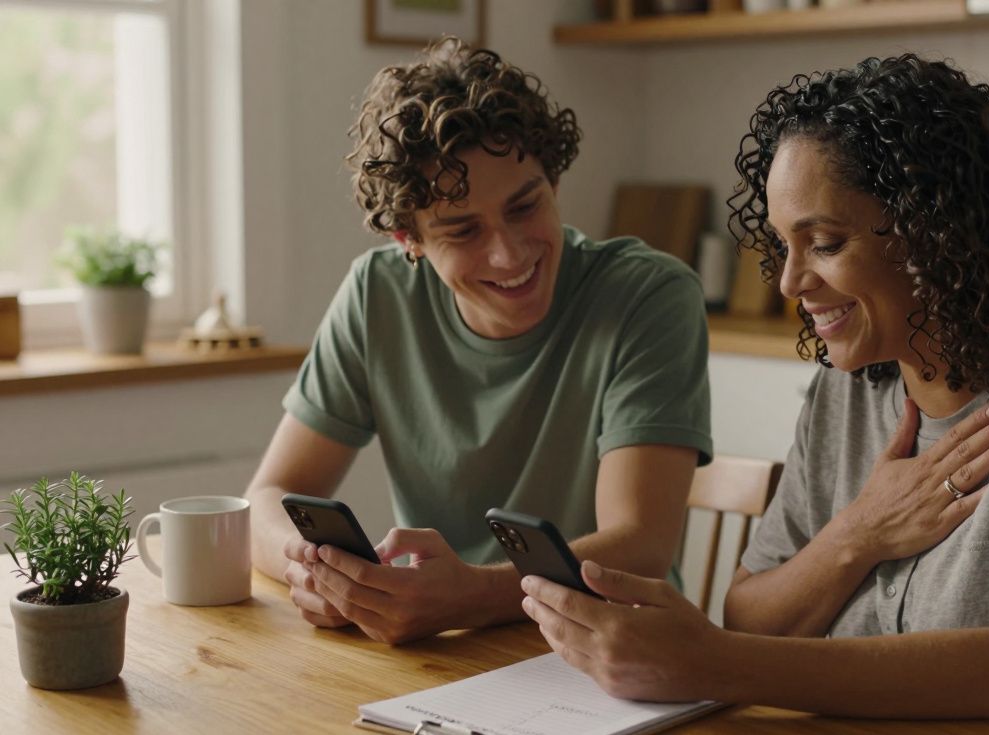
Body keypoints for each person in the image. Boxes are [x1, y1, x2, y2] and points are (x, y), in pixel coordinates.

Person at [520, 54, 989, 734]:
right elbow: (753, 615)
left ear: (937, 234)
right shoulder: (848, 387)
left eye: (823, 243)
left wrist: (708, 662)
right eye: (782, 246)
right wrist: (858, 535)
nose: (790, 281)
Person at [243, 38, 714, 645]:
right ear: (407, 240)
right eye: (463, 230)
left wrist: (469, 594)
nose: (509, 253)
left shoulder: (647, 296)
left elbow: (640, 546)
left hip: (609, 651)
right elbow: (264, 499)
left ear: (555, 182)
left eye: (525, 207)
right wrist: (311, 570)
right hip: (440, 655)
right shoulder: (376, 296)